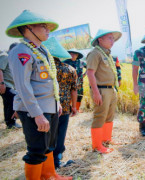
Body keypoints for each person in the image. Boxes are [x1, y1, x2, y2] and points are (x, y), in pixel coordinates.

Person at [6, 10, 72, 180]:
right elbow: (23, 86)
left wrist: (56, 104)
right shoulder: (21, 51)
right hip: (34, 110)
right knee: (36, 150)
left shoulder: (42, 50)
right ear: (29, 28)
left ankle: (49, 174)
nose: (47, 30)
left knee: (49, 146)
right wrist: (37, 114)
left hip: (49, 106)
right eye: (43, 26)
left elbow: (49, 80)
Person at [43, 37, 78, 169]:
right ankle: (57, 160)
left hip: (46, 107)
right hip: (64, 106)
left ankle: (46, 161)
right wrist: (74, 107)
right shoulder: (70, 69)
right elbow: (74, 90)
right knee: (60, 133)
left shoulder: (43, 69)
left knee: (48, 134)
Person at [86, 29, 122, 154]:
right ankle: (97, 145)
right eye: (109, 38)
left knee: (109, 115)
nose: (112, 41)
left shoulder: (107, 54)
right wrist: (96, 92)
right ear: (100, 39)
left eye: (113, 38)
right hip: (101, 89)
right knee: (100, 116)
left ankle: (106, 139)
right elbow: (90, 73)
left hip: (110, 89)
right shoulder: (95, 53)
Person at [0, 42, 22, 129]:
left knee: (8, 103)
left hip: (8, 85)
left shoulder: (10, 58)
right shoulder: (5, 56)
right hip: (5, 85)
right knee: (16, 98)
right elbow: (0, 70)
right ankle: (11, 122)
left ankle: (9, 123)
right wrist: (1, 83)